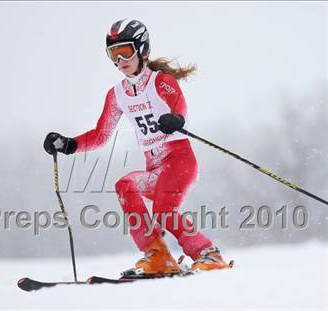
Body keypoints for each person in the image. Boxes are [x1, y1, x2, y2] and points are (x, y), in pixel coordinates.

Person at [44, 19, 230, 276]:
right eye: (113, 54)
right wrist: (69, 145)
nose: (120, 60)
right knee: (125, 185)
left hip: (179, 161)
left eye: (125, 52)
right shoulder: (117, 94)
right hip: (155, 169)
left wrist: (174, 119)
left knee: (164, 211)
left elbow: (179, 105)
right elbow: (100, 135)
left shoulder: (160, 81)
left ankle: (208, 254)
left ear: (142, 50)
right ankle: (158, 255)